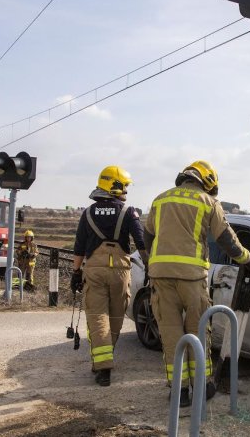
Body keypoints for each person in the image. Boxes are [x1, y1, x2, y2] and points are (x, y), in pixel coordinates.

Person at [144, 160, 250, 407]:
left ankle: (179, 391)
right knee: (198, 330)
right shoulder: (208, 202)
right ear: (207, 182)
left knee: (171, 334)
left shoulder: (160, 199)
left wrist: (152, 264)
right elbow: (227, 240)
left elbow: (148, 236)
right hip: (192, 277)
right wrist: (248, 259)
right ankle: (202, 386)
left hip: (161, 277)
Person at [72, 165, 148, 387]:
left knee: (97, 317)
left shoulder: (87, 213)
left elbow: (79, 248)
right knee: (115, 317)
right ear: (115, 187)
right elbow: (141, 243)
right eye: (124, 186)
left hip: (94, 270)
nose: (126, 190)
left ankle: (103, 367)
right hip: (120, 271)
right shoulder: (128, 212)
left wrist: (76, 272)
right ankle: (106, 358)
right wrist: (149, 266)